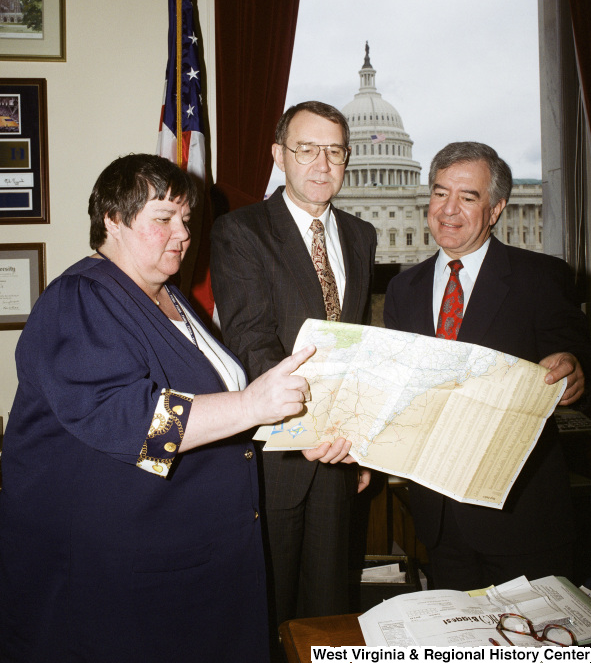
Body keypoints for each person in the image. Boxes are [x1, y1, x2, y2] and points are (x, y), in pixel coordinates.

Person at [0, 153, 316, 663]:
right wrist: (251, 403)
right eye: (162, 219)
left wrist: (302, 431)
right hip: (123, 574)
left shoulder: (168, 296)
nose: (182, 234)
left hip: (194, 557)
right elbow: (134, 422)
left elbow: (221, 410)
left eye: (186, 220)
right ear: (112, 220)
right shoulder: (81, 296)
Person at [383, 141, 591, 591]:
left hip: (520, 515)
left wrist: (575, 369)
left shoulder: (540, 277)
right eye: (440, 193)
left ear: (495, 210)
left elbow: (576, 352)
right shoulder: (404, 289)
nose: (448, 210)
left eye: (468, 197)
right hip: (437, 517)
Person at [210, 101, 377, 628]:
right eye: (306, 149)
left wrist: (362, 438)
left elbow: (358, 347)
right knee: (271, 609)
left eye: (334, 151)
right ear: (280, 155)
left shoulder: (360, 234)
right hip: (277, 455)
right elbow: (250, 339)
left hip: (339, 456)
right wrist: (305, 424)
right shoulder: (241, 232)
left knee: (330, 611)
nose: (321, 164)